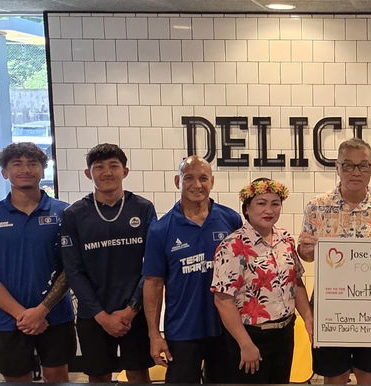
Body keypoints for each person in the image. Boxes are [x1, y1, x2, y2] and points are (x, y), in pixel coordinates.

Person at [297, 138, 371, 385]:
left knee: (369, 373)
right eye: (348, 165)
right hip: (330, 304)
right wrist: (305, 249)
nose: (356, 172)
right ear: (337, 167)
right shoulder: (316, 207)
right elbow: (305, 256)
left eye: (363, 166)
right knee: (334, 375)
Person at [0, 143, 75, 382]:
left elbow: (71, 268)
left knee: (57, 375)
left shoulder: (65, 213)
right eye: (17, 164)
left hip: (55, 315)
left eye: (32, 164)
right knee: (16, 378)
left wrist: (42, 310)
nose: (25, 169)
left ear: (43, 170)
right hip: (8, 319)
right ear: (5, 172)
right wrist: (22, 314)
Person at [59, 143, 159, 383]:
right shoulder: (74, 214)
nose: (107, 172)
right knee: (98, 376)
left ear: (125, 171)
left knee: (138, 373)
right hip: (93, 314)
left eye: (114, 166)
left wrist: (131, 309)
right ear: (88, 173)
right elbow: (73, 271)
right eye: (99, 167)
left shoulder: (143, 208)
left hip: (134, 313)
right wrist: (102, 316)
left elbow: (152, 265)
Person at [144, 156, 244, 383]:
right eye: (189, 178)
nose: (197, 185)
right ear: (177, 181)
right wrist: (153, 334)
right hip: (182, 330)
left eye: (203, 178)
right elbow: (153, 283)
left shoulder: (230, 220)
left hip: (225, 328)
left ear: (212, 182)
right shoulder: (161, 229)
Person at [210, 178, 314, 384]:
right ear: (247, 208)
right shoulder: (232, 246)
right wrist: (245, 344)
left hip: (284, 333)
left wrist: (309, 319)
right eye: (261, 203)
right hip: (250, 336)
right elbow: (223, 300)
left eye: (275, 203)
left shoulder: (285, 239)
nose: (269, 210)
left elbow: (297, 283)